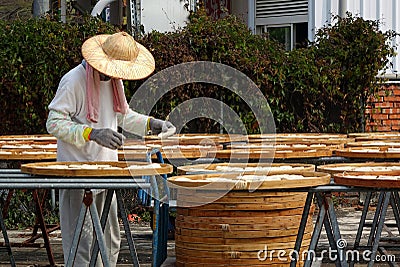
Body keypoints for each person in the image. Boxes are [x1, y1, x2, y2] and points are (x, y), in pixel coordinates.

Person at [46, 31, 176, 266]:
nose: (114, 75)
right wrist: (92, 133)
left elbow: (123, 116)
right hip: (76, 173)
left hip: (106, 172)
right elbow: (54, 122)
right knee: (81, 245)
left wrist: (151, 123)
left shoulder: (114, 82)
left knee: (110, 241)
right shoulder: (73, 81)